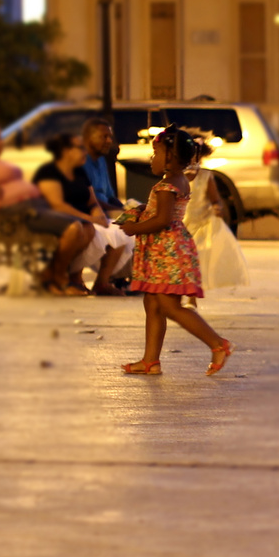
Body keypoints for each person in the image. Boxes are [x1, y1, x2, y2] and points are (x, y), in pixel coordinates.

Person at [115, 125, 233, 376]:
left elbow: (163, 220)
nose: (151, 159)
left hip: (167, 252)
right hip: (164, 251)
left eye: (155, 153)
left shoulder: (168, 185)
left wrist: (135, 228)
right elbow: (160, 213)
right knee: (153, 304)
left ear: (169, 157)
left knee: (170, 306)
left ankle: (217, 344)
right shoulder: (174, 181)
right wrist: (141, 212)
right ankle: (150, 361)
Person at [0, 119, 93, 295]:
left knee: (88, 228)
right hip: (15, 214)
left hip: (36, 207)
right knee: (73, 229)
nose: (1, 142)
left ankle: (48, 274)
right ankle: (60, 277)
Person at [33, 133, 132, 296]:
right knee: (78, 228)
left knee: (114, 231)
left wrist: (99, 215)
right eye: (80, 148)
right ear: (66, 151)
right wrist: (90, 218)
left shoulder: (79, 172)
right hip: (54, 218)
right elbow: (57, 204)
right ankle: (59, 277)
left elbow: (92, 201)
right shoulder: (49, 171)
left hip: (83, 219)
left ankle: (100, 282)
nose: (84, 152)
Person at [182, 133, 249, 296]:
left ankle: (192, 296)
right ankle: (182, 288)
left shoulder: (205, 176)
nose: (193, 162)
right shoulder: (175, 178)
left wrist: (217, 207)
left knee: (197, 260)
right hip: (182, 225)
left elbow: (215, 199)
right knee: (182, 261)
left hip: (202, 225)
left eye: (196, 158)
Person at [79, 117, 123, 215]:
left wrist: (125, 209)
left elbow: (110, 196)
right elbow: (86, 200)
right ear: (88, 137)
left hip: (106, 210)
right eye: (104, 136)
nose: (109, 141)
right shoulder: (79, 162)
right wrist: (118, 211)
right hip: (92, 213)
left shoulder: (101, 159)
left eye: (110, 137)